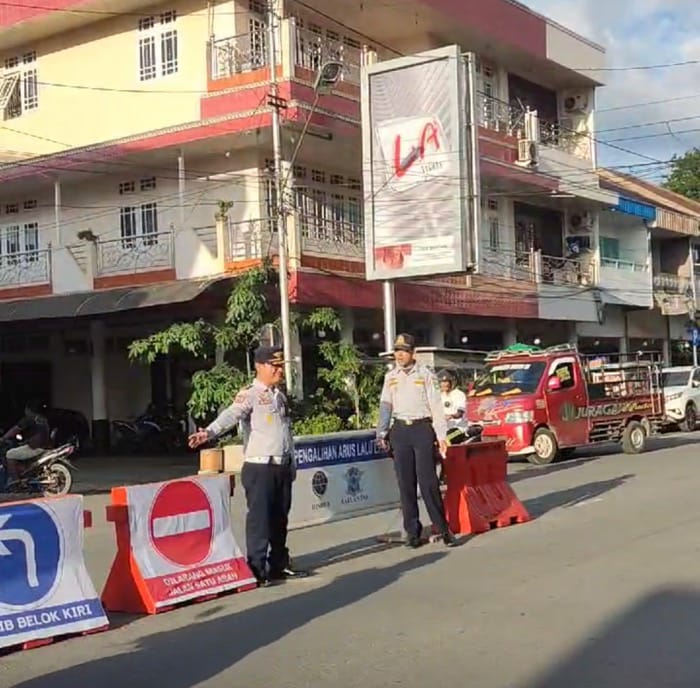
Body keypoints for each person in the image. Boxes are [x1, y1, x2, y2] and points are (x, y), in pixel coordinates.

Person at [188, 345, 309, 586]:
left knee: (280, 518)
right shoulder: (250, 394)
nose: (279, 371)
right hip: (259, 467)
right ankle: (256, 567)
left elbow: (286, 432)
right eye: (274, 366)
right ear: (260, 366)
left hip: (281, 466)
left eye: (280, 366)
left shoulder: (279, 395)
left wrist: (291, 462)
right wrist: (209, 432)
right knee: (260, 519)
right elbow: (231, 415)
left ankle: (278, 564)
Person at [376, 333, 457, 548]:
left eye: (403, 350)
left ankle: (444, 529)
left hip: (422, 429)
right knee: (406, 484)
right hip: (400, 430)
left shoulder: (426, 375)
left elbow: (436, 406)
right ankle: (412, 532)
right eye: (397, 351)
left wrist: (441, 436)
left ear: (413, 352)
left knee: (428, 482)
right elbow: (385, 405)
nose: (399, 355)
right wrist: (381, 432)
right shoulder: (390, 376)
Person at [3, 399, 51, 483]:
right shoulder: (42, 419)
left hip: (35, 447)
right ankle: (24, 473)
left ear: (28, 409)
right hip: (45, 446)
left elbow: (15, 430)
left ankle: (16, 481)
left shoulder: (29, 418)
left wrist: (3, 438)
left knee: (9, 454)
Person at [439, 370, 468, 445]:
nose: (444, 384)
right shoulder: (440, 396)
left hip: (459, 429)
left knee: (446, 440)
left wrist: (451, 416)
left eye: (447, 382)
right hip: (443, 428)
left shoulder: (459, 395)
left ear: (452, 382)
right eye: (442, 382)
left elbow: (460, 413)